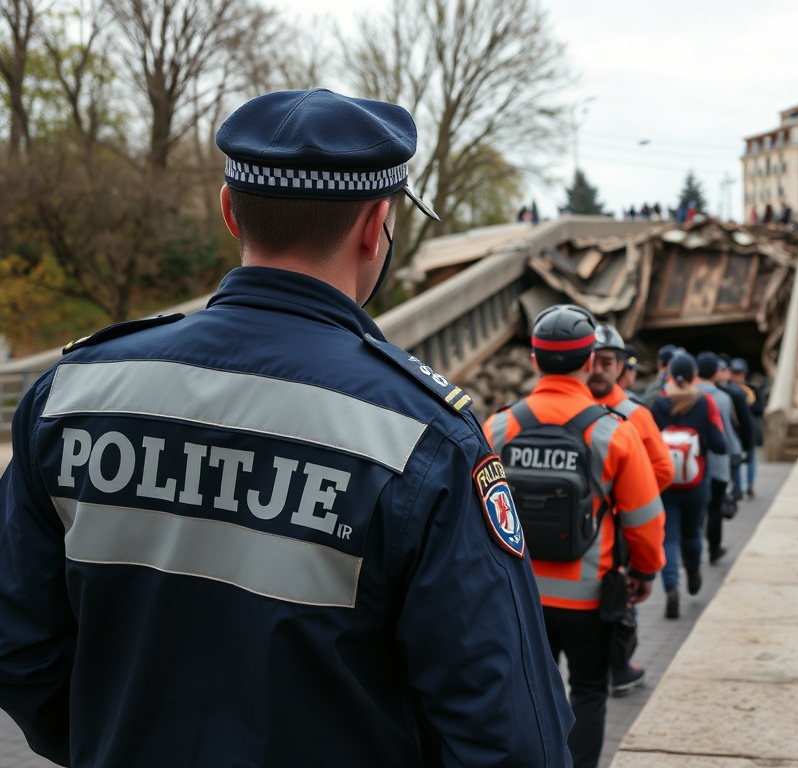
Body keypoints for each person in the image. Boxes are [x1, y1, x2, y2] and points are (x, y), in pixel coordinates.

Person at [0, 88, 574, 768]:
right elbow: (511, 739)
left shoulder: (71, 394)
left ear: (228, 211)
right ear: (375, 225)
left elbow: (19, 644)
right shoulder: (424, 438)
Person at [483, 305, 665, 768]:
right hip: (588, 598)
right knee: (587, 693)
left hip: (520, 597)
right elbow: (644, 518)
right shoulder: (613, 433)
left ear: (533, 360)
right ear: (590, 360)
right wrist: (645, 572)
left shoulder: (498, 427)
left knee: (523, 694)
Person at [587, 324, 673, 696]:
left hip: (616, 525)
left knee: (622, 595)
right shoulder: (587, 406)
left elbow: (663, 470)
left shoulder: (634, 413)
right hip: (579, 527)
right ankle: (615, 667)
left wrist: (627, 495)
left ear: (621, 365)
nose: (600, 370)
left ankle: (620, 664)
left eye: (608, 362)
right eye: (595, 361)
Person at [651, 352, 727, 616]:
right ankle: (693, 573)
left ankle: (671, 588)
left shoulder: (658, 404)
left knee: (668, 537)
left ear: (670, 375)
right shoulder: (705, 403)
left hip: (665, 484)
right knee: (692, 532)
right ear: (694, 376)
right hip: (696, 484)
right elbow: (720, 444)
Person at [694, 351, 742, 566]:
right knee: (715, 509)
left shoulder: (687, 395)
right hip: (718, 463)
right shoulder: (723, 398)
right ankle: (714, 549)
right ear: (715, 372)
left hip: (692, 463)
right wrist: (736, 454)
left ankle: (692, 555)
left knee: (695, 512)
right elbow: (728, 432)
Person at [715, 355, 754, 505]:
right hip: (730, 443)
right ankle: (737, 491)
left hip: (731, 443)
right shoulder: (732, 394)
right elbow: (744, 423)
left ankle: (741, 489)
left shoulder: (743, 391)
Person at [730, 358, 765, 498]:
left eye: (739, 373)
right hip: (737, 428)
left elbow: (760, 409)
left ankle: (748, 486)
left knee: (750, 458)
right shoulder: (731, 390)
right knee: (738, 458)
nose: (737, 376)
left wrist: (746, 406)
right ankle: (739, 487)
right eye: (735, 373)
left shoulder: (751, 390)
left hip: (750, 429)